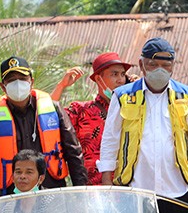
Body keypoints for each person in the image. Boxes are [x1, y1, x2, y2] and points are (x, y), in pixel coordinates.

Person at [97, 37, 188, 213]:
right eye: (153, 65)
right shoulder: (123, 96)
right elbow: (110, 139)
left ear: (173, 67)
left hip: (179, 190)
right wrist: (106, 179)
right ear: (141, 65)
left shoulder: (187, 97)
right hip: (136, 191)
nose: (160, 70)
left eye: (166, 66)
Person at [0, 56, 87, 203]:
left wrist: (81, 195)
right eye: (12, 80)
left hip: (52, 192)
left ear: (31, 82)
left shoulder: (54, 109)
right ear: (3, 86)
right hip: (10, 197)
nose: (18, 83)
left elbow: (74, 153)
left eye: (22, 78)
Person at [50, 52, 132, 184]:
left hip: (127, 190)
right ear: (99, 79)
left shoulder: (133, 110)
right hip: (92, 192)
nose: (120, 80)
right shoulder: (81, 111)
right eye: (114, 74)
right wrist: (61, 86)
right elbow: (48, 118)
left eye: (123, 75)